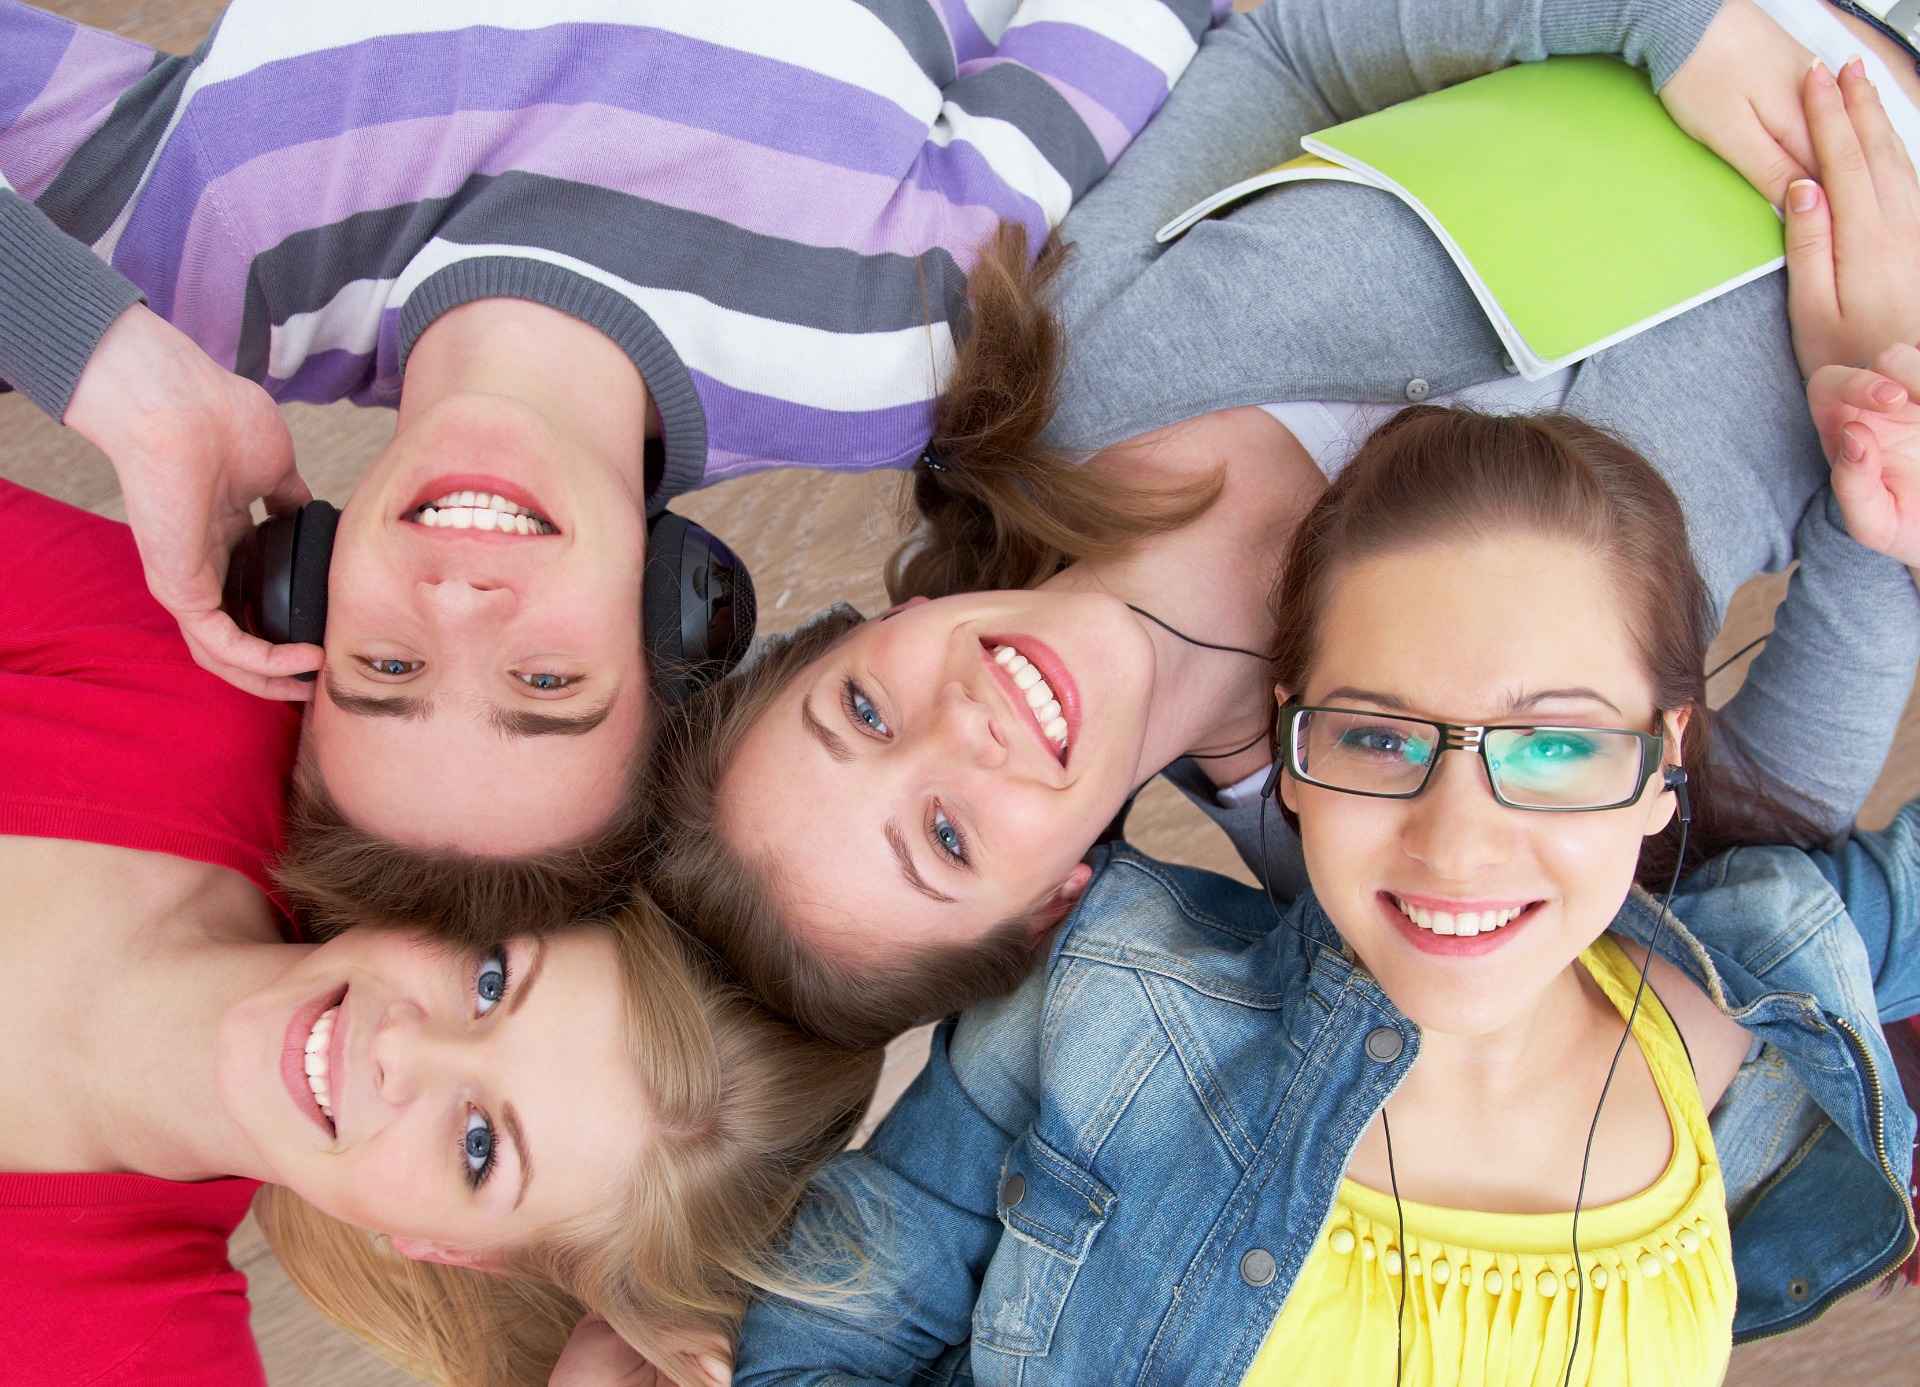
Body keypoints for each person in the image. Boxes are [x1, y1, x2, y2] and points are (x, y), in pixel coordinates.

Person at [637, 0, 1920, 1049]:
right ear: (1049, 908)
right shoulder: (1383, 839)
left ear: (879, 624)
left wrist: (1666, 21)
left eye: (863, 711)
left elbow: (1297, 51)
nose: (956, 730)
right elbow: (1758, 818)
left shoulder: (1064, 371)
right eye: (947, 836)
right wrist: (1885, 486)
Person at [728, 404, 1919, 1385]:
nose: (1458, 843)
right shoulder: (1099, 999)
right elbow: (818, 1345)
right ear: (1293, 747)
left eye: (1554, 746)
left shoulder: (1761, 1000)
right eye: (1379, 739)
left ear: (1661, 765)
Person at [0, 0, 1226, 932]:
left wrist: (115, 374)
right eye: (544, 680)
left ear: (300, 577)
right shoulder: (879, 347)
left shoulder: (210, 259)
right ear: (676, 616)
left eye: (388, 665)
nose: (459, 605)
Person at [0, 474, 881, 1387]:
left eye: (478, 1146)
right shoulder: (200, 676)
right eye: (491, 983)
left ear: (451, 1250)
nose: (401, 1048)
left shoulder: (139, 1362)